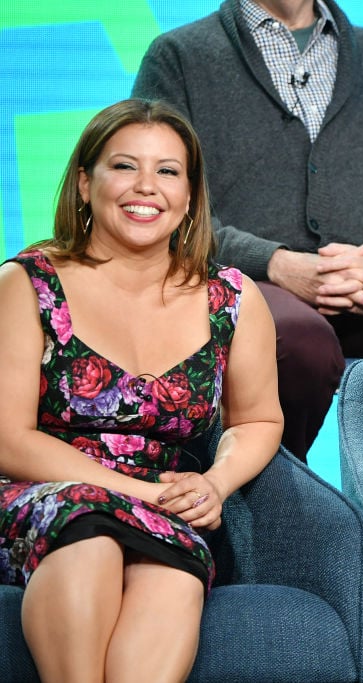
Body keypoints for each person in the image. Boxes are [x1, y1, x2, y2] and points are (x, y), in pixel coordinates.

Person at [0, 99, 283, 680]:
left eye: (168, 171)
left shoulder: (232, 298)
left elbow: (257, 420)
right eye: (125, 166)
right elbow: (7, 438)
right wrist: (134, 492)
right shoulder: (27, 282)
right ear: (85, 182)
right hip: (51, 493)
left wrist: (214, 483)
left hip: (167, 508)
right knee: (90, 537)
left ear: (190, 194)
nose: (146, 187)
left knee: (173, 575)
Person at [132, 0, 363, 460]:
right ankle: (275, 512)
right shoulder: (178, 56)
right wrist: (276, 263)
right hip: (238, 279)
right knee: (299, 344)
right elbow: (162, 202)